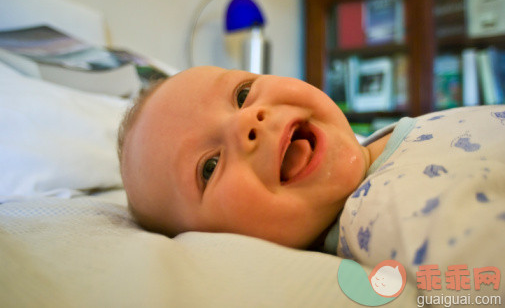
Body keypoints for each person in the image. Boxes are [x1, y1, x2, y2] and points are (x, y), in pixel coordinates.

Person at [117, 66, 505, 259]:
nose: (245, 122)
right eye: (208, 167)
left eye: (242, 93)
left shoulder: (386, 141)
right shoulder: (381, 219)